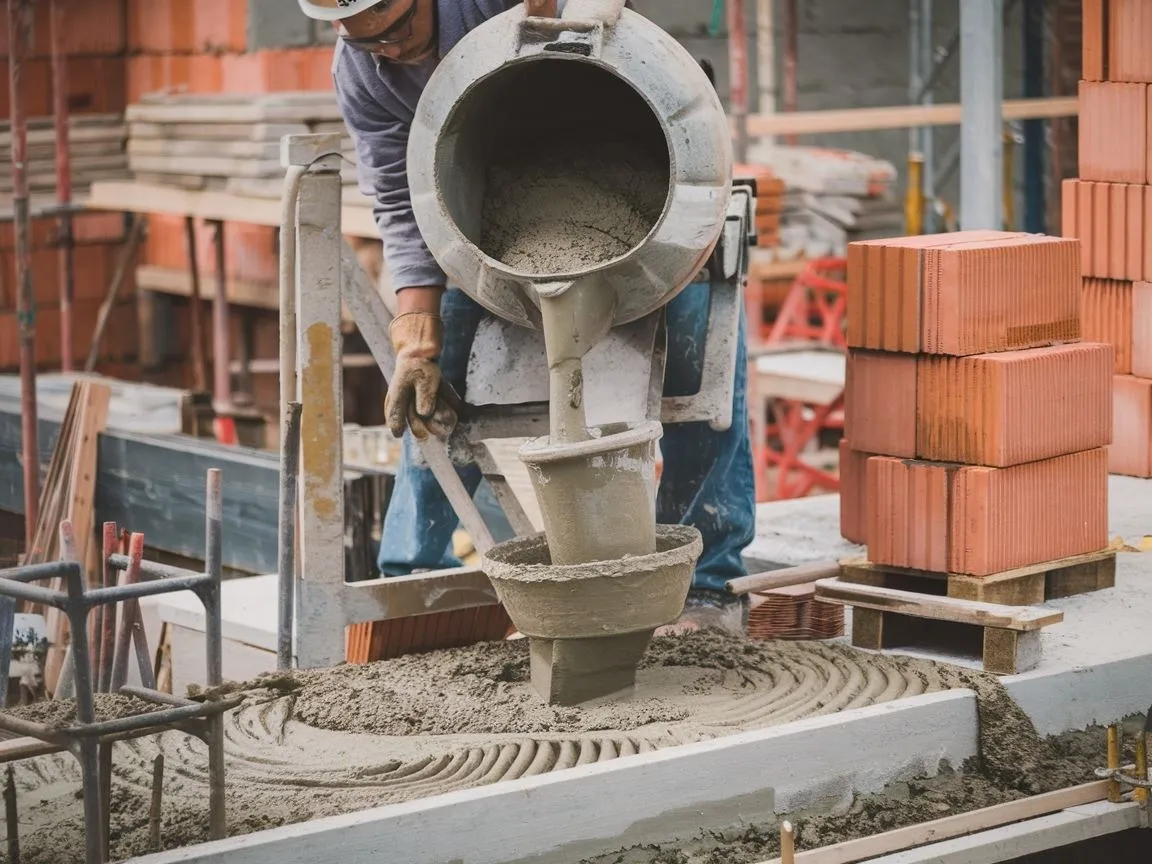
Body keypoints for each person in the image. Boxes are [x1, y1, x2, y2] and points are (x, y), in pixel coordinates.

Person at [296, 0, 757, 633]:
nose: (391, 50)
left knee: (703, 370)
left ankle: (709, 589)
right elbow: (402, 201)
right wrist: (415, 330)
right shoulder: (362, 72)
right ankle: (411, 589)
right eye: (366, 39)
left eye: (399, 28)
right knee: (432, 398)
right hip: (497, 235)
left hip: (651, 185)